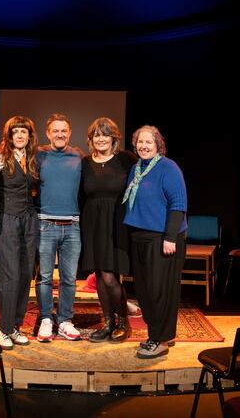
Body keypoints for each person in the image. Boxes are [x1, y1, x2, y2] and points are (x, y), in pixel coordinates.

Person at [123, 125, 187, 359]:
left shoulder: (167, 167)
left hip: (163, 237)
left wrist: (170, 237)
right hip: (140, 236)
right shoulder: (136, 168)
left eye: (149, 142)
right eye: (140, 142)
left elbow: (178, 203)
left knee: (160, 290)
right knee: (144, 290)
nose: (143, 146)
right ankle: (162, 334)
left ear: (158, 144)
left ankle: (158, 339)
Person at [79, 117, 137, 343]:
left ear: (114, 138)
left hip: (117, 223)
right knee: (100, 276)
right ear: (91, 139)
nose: (101, 138)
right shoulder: (85, 163)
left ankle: (123, 322)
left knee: (111, 277)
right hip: (92, 222)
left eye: (105, 134)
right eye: (96, 135)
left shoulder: (126, 160)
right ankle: (108, 322)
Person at [35, 113, 84, 342]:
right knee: (45, 277)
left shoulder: (78, 156)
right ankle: (46, 319)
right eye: (55, 130)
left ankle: (64, 321)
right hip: (45, 224)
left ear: (70, 132)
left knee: (69, 279)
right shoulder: (38, 155)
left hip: (72, 227)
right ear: (48, 133)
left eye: (64, 130)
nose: (60, 134)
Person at [0, 116, 39, 349]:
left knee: (24, 274)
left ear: (30, 136)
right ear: (9, 135)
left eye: (24, 131)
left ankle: (15, 326)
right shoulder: (0, 157)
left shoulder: (32, 158)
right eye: (16, 132)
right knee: (9, 275)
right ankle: (3, 327)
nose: (20, 135)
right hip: (8, 219)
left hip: (29, 220)